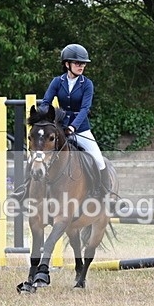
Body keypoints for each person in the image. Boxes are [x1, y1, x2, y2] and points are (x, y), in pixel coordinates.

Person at [41, 43, 111, 196]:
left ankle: (105, 194)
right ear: (67, 64)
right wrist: (44, 120)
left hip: (81, 129)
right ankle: (28, 190)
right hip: (59, 127)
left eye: (83, 64)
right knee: (39, 155)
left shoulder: (87, 84)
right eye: (78, 63)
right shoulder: (57, 82)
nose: (81, 66)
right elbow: (46, 103)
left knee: (99, 160)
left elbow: (85, 109)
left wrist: (73, 127)